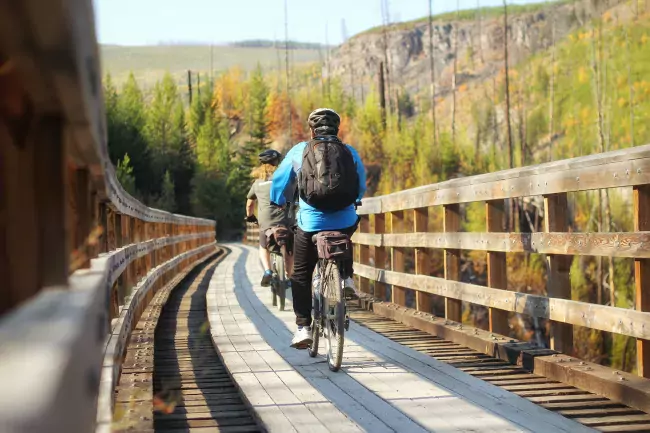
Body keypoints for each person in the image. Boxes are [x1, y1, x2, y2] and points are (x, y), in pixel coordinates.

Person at [270, 108, 366, 349]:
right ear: (337, 129)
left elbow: (280, 181)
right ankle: (345, 276)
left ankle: (303, 327)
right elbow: (361, 185)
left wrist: (278, 202)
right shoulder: (349, 152)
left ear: (311, 130)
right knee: (348, 227)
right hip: (344, 218)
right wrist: (354, 202)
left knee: (301, 273)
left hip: (310, 222)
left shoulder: (300, 150)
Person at [245, 149, 295, 286]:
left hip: (266, 222)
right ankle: (289, 276)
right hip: (286, 219)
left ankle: (267, 270)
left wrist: (250, 217)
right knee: (290, 248)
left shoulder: (257, 183)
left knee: (263, 246)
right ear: (277, 163)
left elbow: (250, 204)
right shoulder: (285, 179)